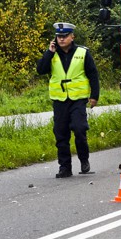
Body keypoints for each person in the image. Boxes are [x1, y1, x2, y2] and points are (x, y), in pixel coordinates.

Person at [36, 23, 99, 178]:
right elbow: (40, 70)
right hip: (60, 100)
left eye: (65, 36)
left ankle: (84, 160)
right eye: (59, 37)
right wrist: (49, 53)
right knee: (61, 134)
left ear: (72, 37)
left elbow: (93, 74)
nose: (61, 39)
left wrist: (94, 96)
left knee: (79, 129)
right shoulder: (52, 54)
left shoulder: (82, 53)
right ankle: (65, 167)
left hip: (78, 99)